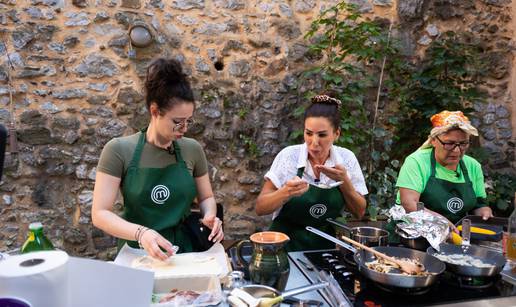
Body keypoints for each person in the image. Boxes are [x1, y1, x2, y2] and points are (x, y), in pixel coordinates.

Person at [92, 58, 223, 260]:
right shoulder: (118, 150)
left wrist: (209, 216)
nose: (185, 128)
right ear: (155, 111)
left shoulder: (192, 149)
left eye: (189, 120)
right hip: (137, 254)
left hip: (183, 253)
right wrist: (141, 233)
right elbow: (100, 213)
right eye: (177, 122)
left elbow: (206, 198)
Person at [256, 95, 368, 251]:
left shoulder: (346, 159)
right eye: (308, 133)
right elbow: (260, 207)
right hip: (284, 249)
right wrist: (285, 192)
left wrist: (345, 182)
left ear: (336, 134)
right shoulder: (289, 157)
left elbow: (359, 212)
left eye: (322, 135)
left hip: (326, 250)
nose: (314, 143)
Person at [396, 110, 492, 225]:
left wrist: (484, 212)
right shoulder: (417, 162)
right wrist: (441, 223)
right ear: (433, 141)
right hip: (414, 235)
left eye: (463, 144)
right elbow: (409, 204)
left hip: (457, 235)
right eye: (449, 143)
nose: (457, 151)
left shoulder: (473, 166)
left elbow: (478, 205)